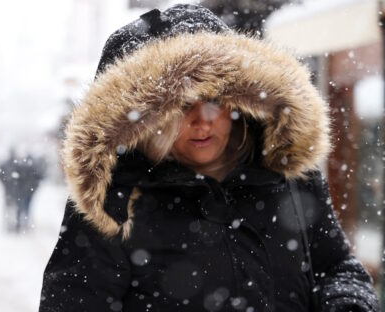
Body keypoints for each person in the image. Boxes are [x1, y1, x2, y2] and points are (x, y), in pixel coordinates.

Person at [39, 4, 379, 312]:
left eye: (214, 99)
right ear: (147, 119)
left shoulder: (288, 176)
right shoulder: (113, 205)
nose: (203, 118)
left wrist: (348, 305)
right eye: (183, 105)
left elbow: (336, 267)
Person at [14, 154, 45, 233]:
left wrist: (19, 187)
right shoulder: (34, 168)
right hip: (30, 191)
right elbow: (39, 177)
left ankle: (19, 223)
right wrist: (34, 187)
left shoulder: (21, 167)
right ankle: (26, 222)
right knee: (28, 206)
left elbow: (18, 179)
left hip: (22, 191)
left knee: (20, 206)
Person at [0, 149, 19, 229]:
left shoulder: (6, 163)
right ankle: (13, 223)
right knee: (14, 206)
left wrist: (4, 182)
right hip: (14, 188)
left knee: (8, 205)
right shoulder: (16, 164)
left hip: (8, 188)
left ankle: (9, 222)